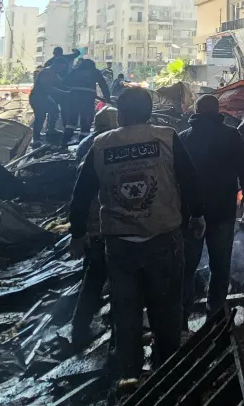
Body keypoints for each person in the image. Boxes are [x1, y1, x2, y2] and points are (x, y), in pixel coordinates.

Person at [69, 87, 204, 379]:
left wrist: (77, 232)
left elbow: (81, 193)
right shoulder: (167, 137)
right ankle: (167, 374)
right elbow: (191, 180)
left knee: (125, 313)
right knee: (167, 310)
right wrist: (196, 216)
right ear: (149, 112)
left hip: (119, 245)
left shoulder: (101, 144)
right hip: (164, 239)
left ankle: (129, 378)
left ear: (121, 115)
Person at [178, 95, 244, 322]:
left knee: (187, 267)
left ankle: (181, 317)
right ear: (217, 111)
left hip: (192, 214)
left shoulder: (184, 138)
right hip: (223, 212)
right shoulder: (231, 135)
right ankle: (216, 316)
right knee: (220, 265)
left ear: (197, 111)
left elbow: (177, 177)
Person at [70, 106, 118, 348]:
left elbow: (77, 193)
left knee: (93, 274)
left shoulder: (86, 145)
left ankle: (81, 325)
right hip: (107, 224)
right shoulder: (108, 147)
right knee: (107, 275)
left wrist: (78, 232)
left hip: (93, 225)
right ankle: (90, 328)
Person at [61, 59, 111, 147]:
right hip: (88, 99)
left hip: (74, 97)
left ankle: (63, 144)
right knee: (85, 121)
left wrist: (75, 88)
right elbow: (103, 85)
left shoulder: (76, 71)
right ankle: (83, 146)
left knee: (71, 121)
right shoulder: (95, 72)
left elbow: (64, 82)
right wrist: (107, 97)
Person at [30, 58, 69, 142]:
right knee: (40, 117)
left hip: (45, 97)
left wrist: (71, 88)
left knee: (54, 110)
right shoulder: (46, 72)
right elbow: (49, 88)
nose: (62, 69)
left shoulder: (54, 74)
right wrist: (65, 93)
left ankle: (51, 129)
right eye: (61, 67)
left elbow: (62, 83)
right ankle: (36, 138)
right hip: (37, 97)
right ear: (57, 65)